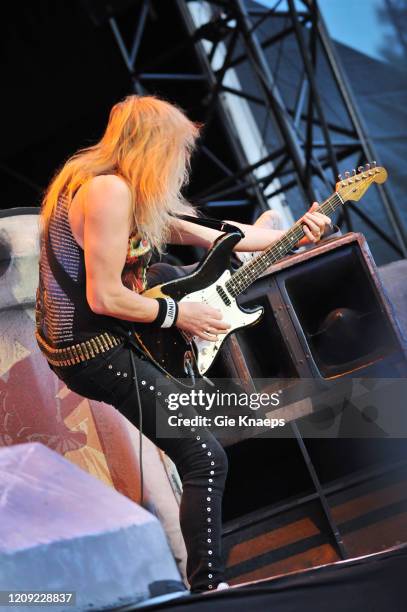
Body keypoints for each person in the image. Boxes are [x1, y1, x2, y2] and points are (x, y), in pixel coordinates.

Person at [34, 94, 332, 593]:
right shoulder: (107, 192)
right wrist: (179, 315)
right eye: (180, 151)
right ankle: (208, 589)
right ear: (156, 148)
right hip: (90, 351)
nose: (184, 163)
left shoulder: (125, 190)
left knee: (173, 272)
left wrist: (298, 234)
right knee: (204, 456)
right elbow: (104, 295)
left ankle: (205, 585)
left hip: (108, 337)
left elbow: (211, 234)